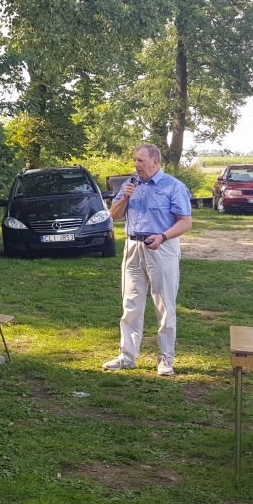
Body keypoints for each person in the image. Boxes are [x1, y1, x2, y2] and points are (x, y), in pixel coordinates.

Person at [102, 144, 192, 376]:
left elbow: (185, 222)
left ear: (155, 162)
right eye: (135, 160)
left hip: (161, 247)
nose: (136, 165)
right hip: (133, 247)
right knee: (130, 303)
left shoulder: (173, 186)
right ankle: (127, 356)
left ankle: (166, 359)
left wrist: (162, 237)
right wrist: (125, 197)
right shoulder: (130, 184)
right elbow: (114, 214)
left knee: (164, 305)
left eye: (140, 160)